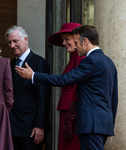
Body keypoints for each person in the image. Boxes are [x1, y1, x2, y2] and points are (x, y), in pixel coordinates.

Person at [16, 25, 118, 150]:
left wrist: (34, 76)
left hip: (91, 123)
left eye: (76, 42)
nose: (75, 46)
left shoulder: (90, 60)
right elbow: (114, 98)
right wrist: (108, 123)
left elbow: (65, 79)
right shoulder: (108, 62)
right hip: (102, 123)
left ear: (85, 41)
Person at [5, 25, 51, 150]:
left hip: (31, 128)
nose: (12, 45)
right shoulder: (10, 63)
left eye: (15, 41)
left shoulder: (39, 63)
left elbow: (44, 97)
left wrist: (40, 126)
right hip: (12, 126)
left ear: (25, 39)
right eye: (9, 42)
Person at [47, 22, 82, 150]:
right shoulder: (74, 58)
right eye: (63, 40)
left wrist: (70, 117)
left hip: (73, 112)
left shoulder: (81, 58)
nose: (63, 43)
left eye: (67, 39)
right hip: (69, 111)